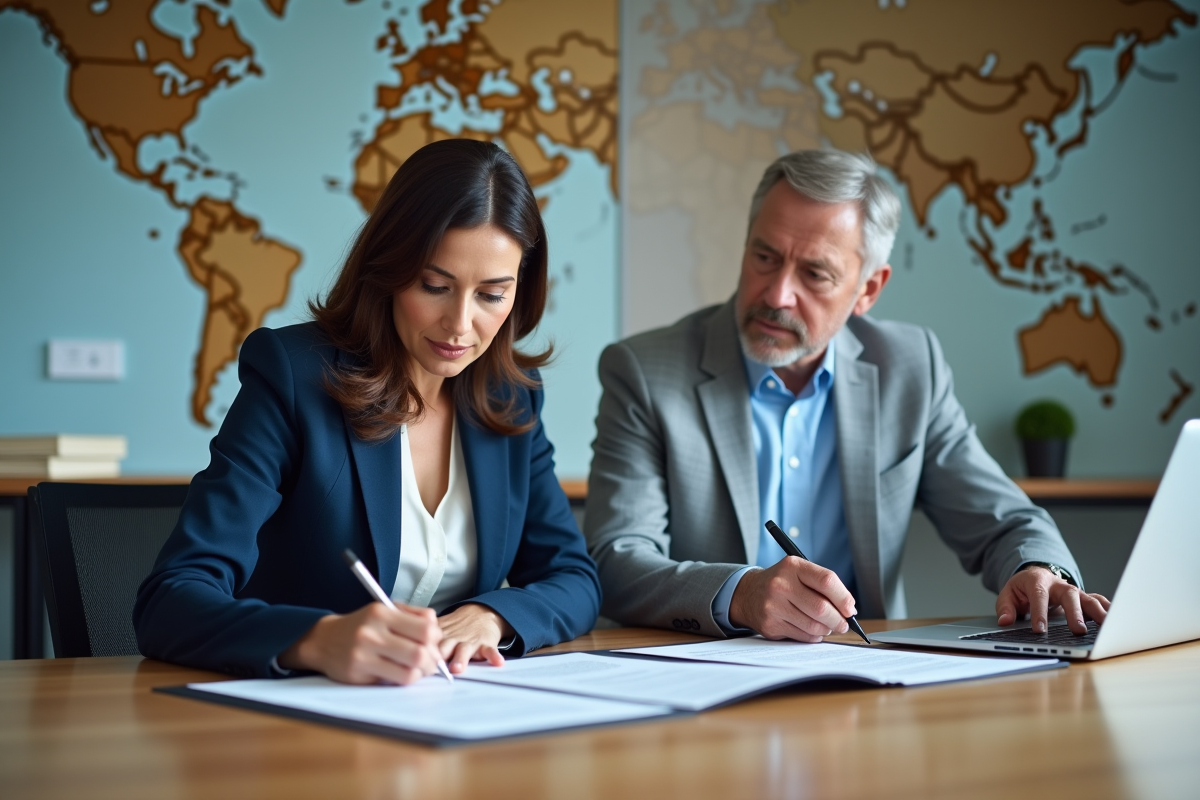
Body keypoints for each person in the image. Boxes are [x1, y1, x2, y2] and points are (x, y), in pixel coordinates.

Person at [585, 149, 1110, 643]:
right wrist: (741, 595)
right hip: (701, 677)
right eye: (764, 256)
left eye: (815, 274)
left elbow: (1003, 519)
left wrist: (1039, 569)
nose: (777, 294)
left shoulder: (909, 369)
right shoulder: (646, 372)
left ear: (868, 290)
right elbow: (616, 559)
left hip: (865, 670)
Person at [135, 139, 601, 684]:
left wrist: (492, 616)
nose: (459, 324)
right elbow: (170, 600)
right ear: (389, 269)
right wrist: (317, 640)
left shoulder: (511, 398)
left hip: (452, 708)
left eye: (491, 295)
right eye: (434, 286)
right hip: (298, 713)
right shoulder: (293, 377)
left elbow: (574, 578)